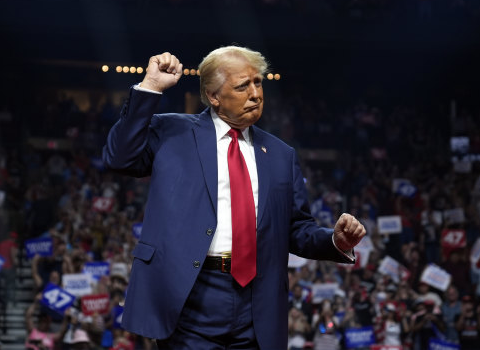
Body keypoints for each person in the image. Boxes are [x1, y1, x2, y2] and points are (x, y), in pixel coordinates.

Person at [103, 47, 366, 349]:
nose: (255, 93)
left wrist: (335, 241)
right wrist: (149, 88)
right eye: (243, 86)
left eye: (258, 82)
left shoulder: (282, 155)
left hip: (257, 303)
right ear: (214, 96)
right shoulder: (171, 131)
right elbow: (119, 158)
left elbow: (296, 229)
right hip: (189, 295)